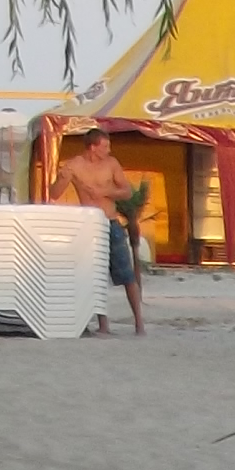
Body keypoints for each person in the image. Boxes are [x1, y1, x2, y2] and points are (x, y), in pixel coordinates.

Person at [61, 129, 147, 335]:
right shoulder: (75, 165)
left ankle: (139, 323)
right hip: (89, 226)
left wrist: (106, 192)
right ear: (93, 147)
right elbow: (55, 192)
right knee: (95, 275)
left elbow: (127, 192)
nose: (109, 150)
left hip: (110, 221)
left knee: (126, 274)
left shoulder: (111, 164)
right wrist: (63, 177)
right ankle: (103, 325)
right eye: (105, 146)